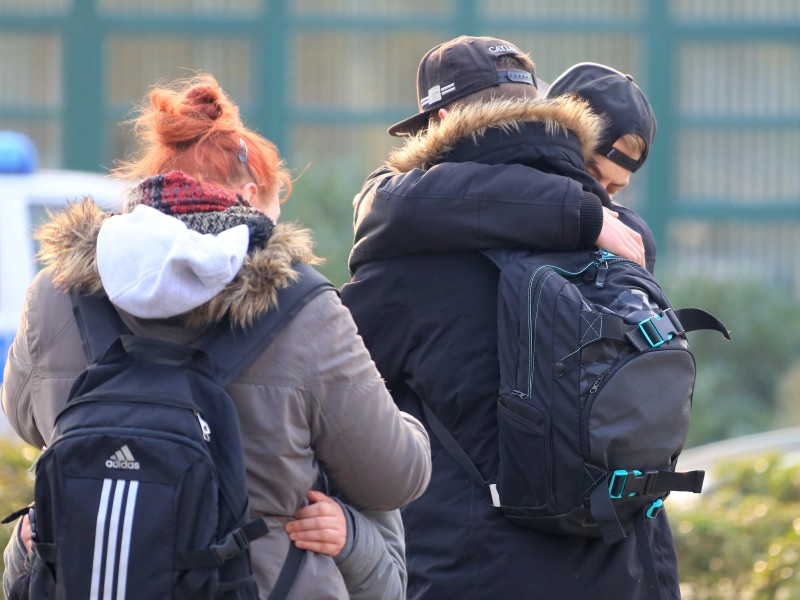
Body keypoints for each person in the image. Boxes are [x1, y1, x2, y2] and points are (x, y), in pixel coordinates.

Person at [1, 74, 430, 600]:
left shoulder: (56, 289)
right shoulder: (301, 304)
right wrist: (405, 421)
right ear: (251, 196)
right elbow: (392, 477)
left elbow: (26, 421)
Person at [340, 36, 679, 599]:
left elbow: (333, 404)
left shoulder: (409, 260)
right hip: (626, 569)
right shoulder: (618, 234)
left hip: (473, 572)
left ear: (442, 119)